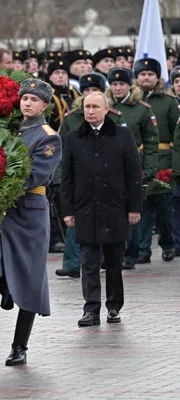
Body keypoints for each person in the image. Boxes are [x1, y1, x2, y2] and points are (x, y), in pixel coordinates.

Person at [0, 78, 61, 366]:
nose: (27, 103)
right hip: (3, 207)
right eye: (24, 98)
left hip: (30, 209)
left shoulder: (48, 136)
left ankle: (19, 346)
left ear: (45, 105)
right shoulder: (8, 131)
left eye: (34, 99)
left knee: (31, 276)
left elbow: (35, 175)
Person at [61, 92, 142, 326]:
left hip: (115, 207)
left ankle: (114, 306)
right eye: (87, 106)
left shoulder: (122, 135)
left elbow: (133, 175)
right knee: (88, 261)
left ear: (107, 109)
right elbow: (67, 178)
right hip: (86, 208)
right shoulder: (74, 137)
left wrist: (134, 208)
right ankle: (91, 308)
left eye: (95, 106)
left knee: (114, 261)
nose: (90, 111)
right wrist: (68, 210)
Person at [55, 72, 127, 278]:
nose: (90, 102)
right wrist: (60, 178)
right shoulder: (71, 120)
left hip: (107, 183)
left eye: (95, 92)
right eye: (86, 92)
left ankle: (105, 259)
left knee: (106, 226)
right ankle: (72, 262)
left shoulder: (114, 120)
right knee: (74, 224)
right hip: (80, 184)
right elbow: (63, 153)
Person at [106, 68, 159, 269]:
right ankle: (112, 253)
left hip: (134, 164)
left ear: (130, 85)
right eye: (114, 84)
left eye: (122, 84)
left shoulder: (142, 109)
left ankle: (132, 253)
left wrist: (150, 169)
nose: (118, 88)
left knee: (133, 210)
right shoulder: (104, 106)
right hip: (108, 165)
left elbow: (152, 142)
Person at [135, 58, 179, 263]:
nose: (146, 77)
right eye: (142, 74)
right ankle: (143, 250)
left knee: (163, 208)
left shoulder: (168, 102)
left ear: (157, 77)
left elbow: (175, 134)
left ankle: (168, 243)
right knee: (143, 207)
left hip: (163, 160)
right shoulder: (131, 102)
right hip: (138, 160)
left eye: (150, 74)